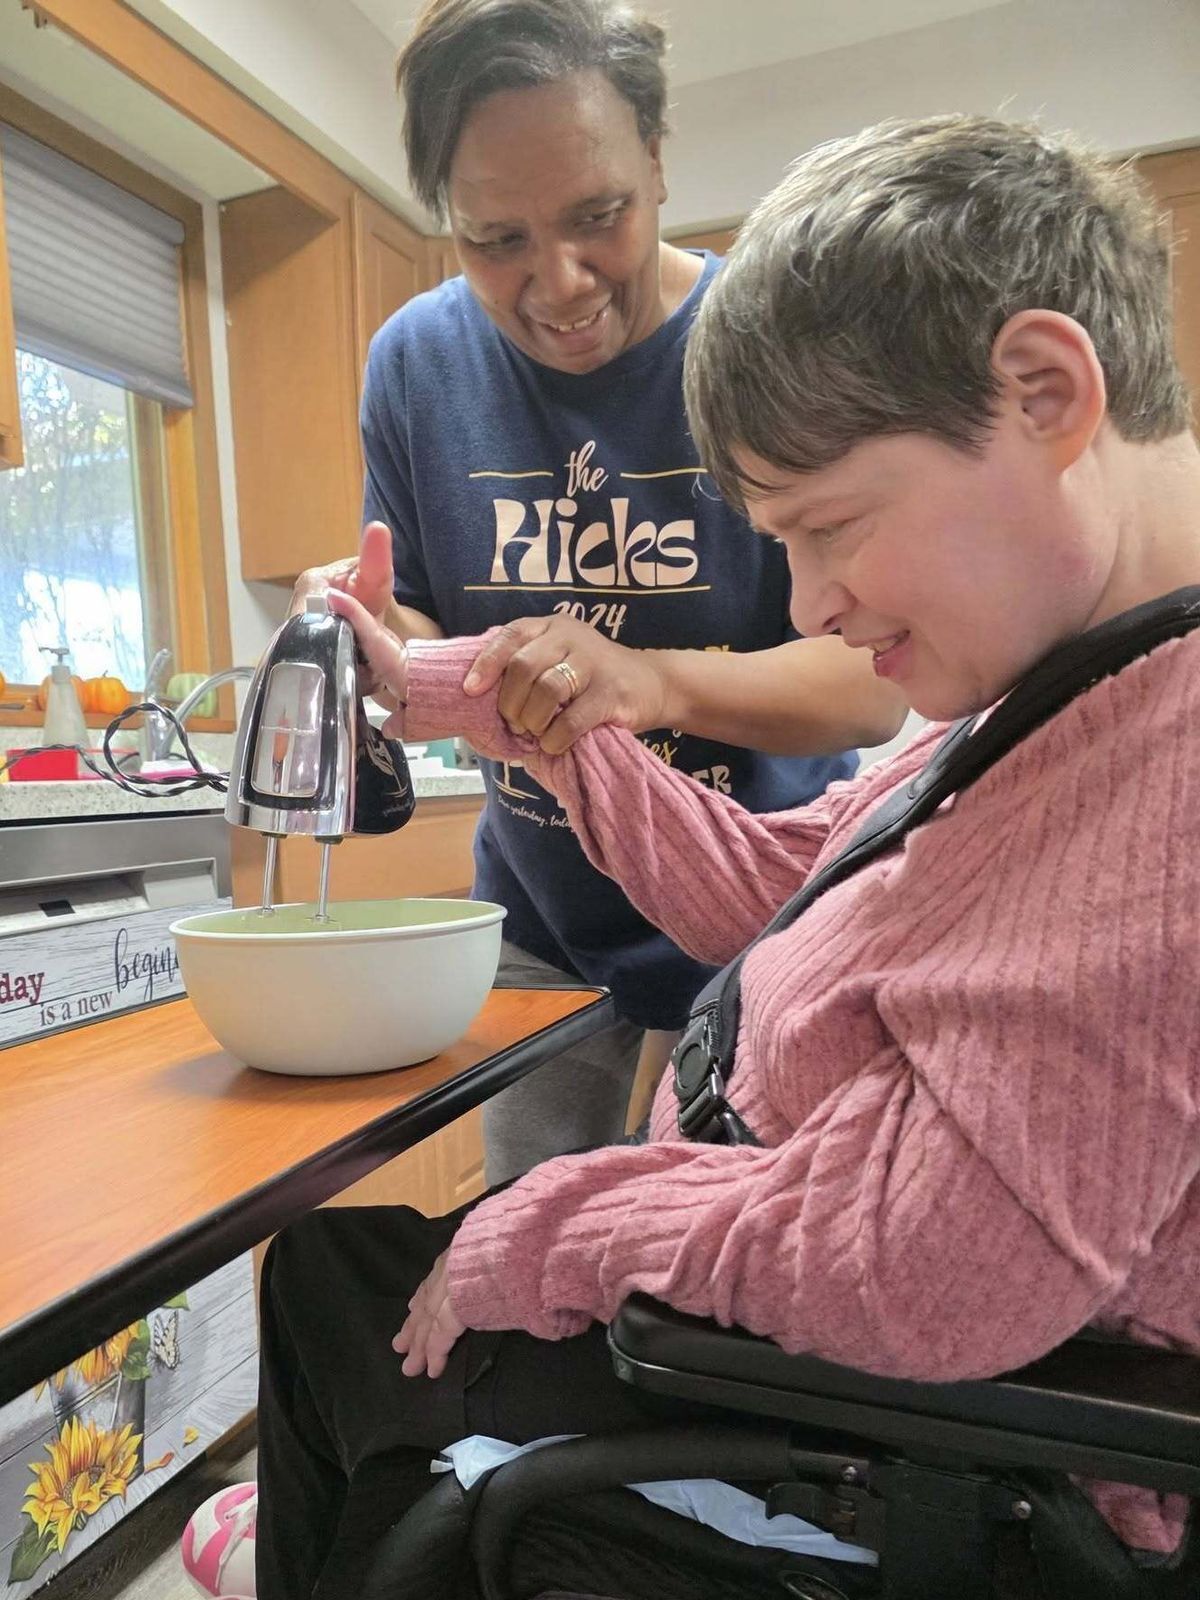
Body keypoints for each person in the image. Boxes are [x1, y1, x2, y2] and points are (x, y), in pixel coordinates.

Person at [208, 111, 1200, 1599]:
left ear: (1047, 392)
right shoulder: (1070, 682)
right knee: (356, 1286)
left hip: (900, 1446)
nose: (810, 604)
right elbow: (791, 888)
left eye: (830, 526)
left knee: (344, 1301)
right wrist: (517, 714)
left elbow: (927, 1275)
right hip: (803, 1308)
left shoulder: (1159, 795)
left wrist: (570, 1224)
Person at [290, 0, 903, 1187]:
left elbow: (868, 689)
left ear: (659, 162)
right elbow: (426, 630)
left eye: (597, 218)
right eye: (495, 239)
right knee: (530, 1233)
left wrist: (650, 680)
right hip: (539, 921)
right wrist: (377, 634)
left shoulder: (766, 341)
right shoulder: (415, 366)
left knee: (704, 1271)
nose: (557, 283)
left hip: (759, 913)